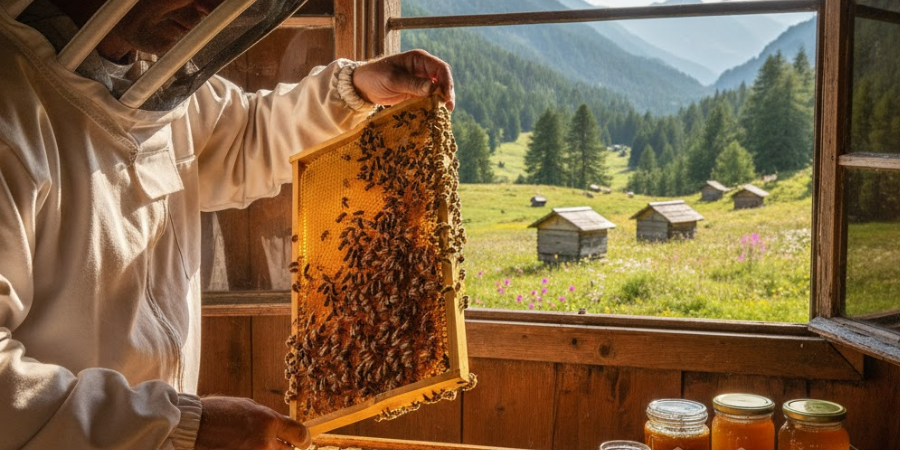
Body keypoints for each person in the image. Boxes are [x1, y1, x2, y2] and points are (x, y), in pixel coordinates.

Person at [0, 0, 454, 449]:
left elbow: (244, 135)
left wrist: (353, 90)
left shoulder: (151, 76)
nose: (210, 8)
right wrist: (175, 426)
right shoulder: (12, 112)